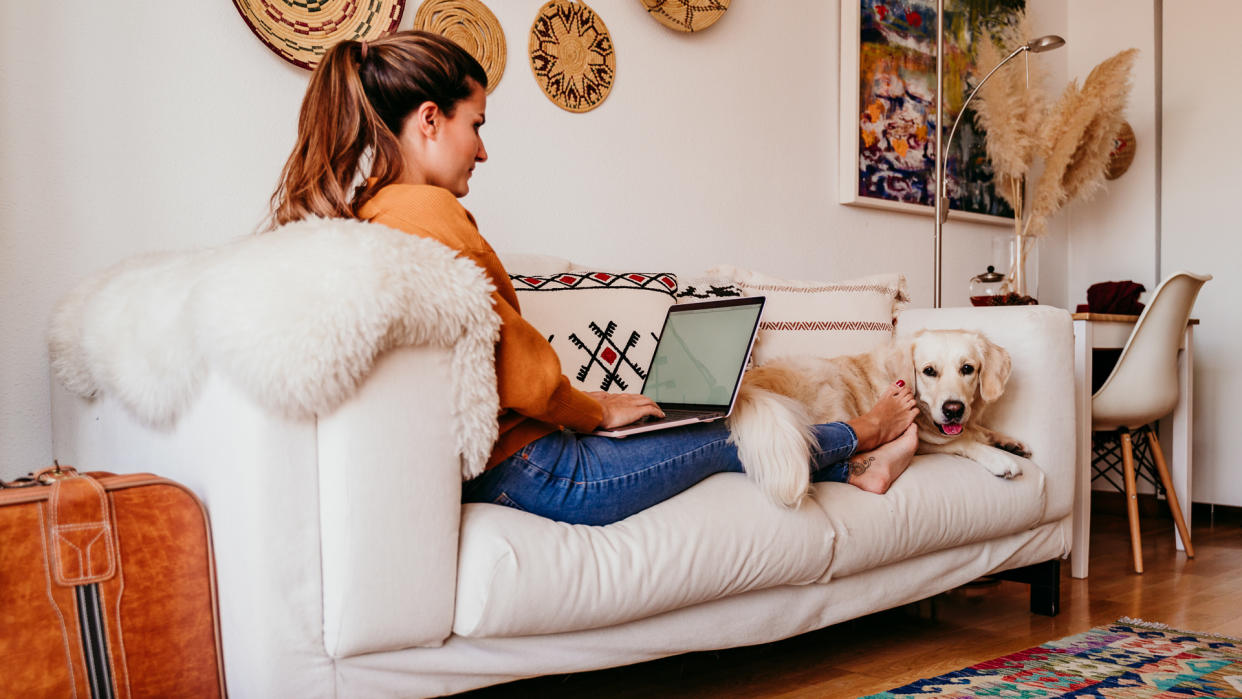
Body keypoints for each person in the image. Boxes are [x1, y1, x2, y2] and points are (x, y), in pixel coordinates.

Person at [268, 31, 919, 525]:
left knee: (690, 414)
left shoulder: (370, 212)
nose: (484, 149)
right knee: (734, 421)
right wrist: (595, 409)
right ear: (430, 119)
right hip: (541, 470)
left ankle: (853, 461)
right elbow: (519, 373)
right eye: (477, 125)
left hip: (510, 462)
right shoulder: (428, 210)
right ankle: (865, 434)